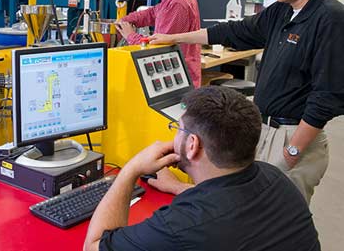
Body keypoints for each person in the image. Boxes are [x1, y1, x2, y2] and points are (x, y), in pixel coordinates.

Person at [149, 0, 344, 204]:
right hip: (264, 131)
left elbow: (327, 97)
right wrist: (175, 37)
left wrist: (291, 151)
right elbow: (234, 32)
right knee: (252, 214)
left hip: (293, 135)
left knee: (277, 225)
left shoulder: (330, 18)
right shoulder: (282, 11)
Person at [84, 86, 320, 251]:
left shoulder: (178, 226)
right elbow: (232, 208)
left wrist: (130, 170)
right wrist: (178, 187)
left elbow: (93, 245)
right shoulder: (275, 178)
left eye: (178, 129)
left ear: (193, 145)